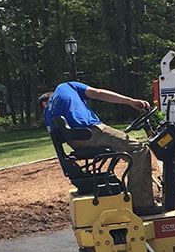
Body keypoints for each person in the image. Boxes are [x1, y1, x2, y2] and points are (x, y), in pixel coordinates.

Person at [42, 80, 157, 214]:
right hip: (91, 132)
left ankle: (132, 197)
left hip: (76, 140)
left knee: (133, 150)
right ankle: (142, 205)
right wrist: (130, 101)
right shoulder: (67, 86)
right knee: (140, 150)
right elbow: (98, 93)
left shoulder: (49, 109)